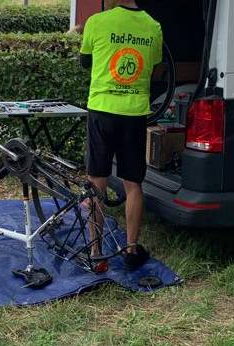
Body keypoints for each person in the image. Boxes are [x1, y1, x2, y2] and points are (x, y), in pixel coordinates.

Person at [79, 0, 163, 270]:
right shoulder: (154, 26)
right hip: (134, 113)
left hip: (102, 109)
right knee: (133, 183)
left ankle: (96, 253)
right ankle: (131, 249)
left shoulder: (97, 22)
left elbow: (85, 63)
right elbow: (155, 68)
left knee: (97, 180)